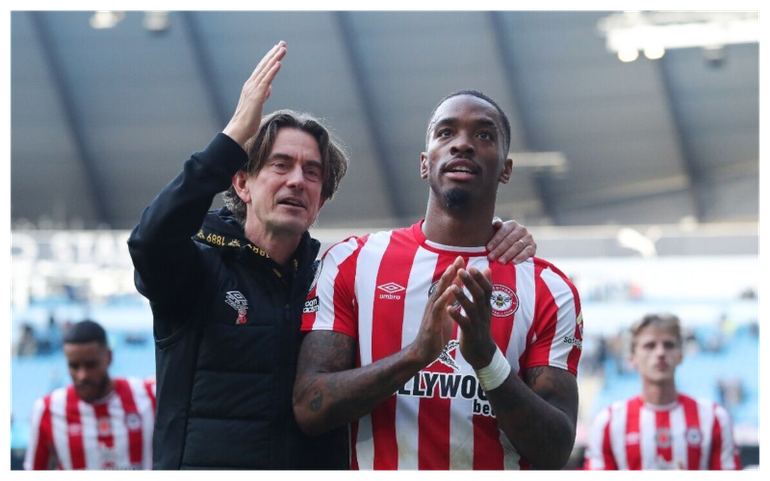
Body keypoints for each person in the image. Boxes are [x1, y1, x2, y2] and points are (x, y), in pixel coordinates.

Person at [128, 43, 534, 471]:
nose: (297, 181)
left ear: (320, 200)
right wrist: (232, 138)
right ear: (242, 184)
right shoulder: (197, 267)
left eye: (312, 172)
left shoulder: (337, 274)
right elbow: (149, 242)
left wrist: (494, 237)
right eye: (280, 165)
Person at [295, 90, 582, 472]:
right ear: (424, 163)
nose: (462, 143)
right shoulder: (354, 262)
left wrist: (487, 359)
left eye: (484, 135)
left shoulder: (549, 289)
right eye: (446, 133)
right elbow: (309, 407)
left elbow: (555, 451)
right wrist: (416, 355)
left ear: (506, 169)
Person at [584, 314, 742, 471]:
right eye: (650, 346)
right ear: (632, 358)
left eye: (668, 345)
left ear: (680, 355)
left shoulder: (714, 418)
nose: (660, 353)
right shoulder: (608, 422)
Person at [23, 320, 156, 471]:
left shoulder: (148, 395)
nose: (82, 375)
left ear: (109, 357)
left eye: (91, 365)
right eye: (74, 366)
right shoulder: (48, 409)